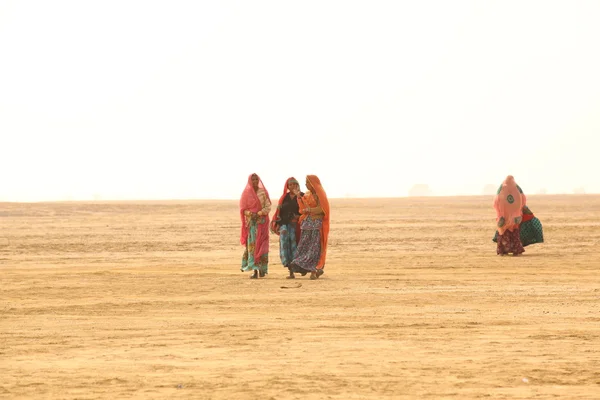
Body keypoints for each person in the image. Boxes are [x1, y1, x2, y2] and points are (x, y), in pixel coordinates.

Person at [288, 175, 330, 279]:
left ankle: (313, 271)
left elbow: (322, 209)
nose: (306, 184)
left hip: (316, 225)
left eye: (308, 182)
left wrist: (310, 211)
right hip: (306, 225)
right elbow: (302, 208)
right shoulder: (307, 195)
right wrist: (299, 197)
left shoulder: (320, 195)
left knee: (314, 248)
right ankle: (302, 267)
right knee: (304, 246)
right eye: (306, 182)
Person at [270, 177, 304, 277]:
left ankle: (298, 268)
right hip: (284, 224)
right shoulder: (284, 197)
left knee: (294, 245)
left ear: (297, 185)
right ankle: (290, 271)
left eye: (294, 184)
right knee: (285, 245)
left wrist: (298, 217)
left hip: (296, 225)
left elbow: (305, 210)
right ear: (288, 186)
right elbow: (279, 212)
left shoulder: (302, 196)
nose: (293, 186)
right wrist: (277, 223)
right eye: (290, 185)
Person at [240, 173, 271, 278]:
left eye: (256, 179)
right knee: (253, 247)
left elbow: (268, 206)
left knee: (262, 246)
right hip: (252, 224)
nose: (254, 181)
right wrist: (250, 214)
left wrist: (259, 213)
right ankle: (255, 270)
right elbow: (243, 210)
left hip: (262, 223)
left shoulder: (263, 192)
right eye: (252, 179)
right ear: (249, 181)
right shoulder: (246, 194)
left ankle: (262, 269)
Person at [493, 175, 525, 256]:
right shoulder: (517, 188)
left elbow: (496, 202)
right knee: (514, 233)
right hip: (515, 218)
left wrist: (500, 214)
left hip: (504, 218)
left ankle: (503, 251)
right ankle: (516, 250)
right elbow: (523, 199)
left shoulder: (501, 188)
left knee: (504, 233)